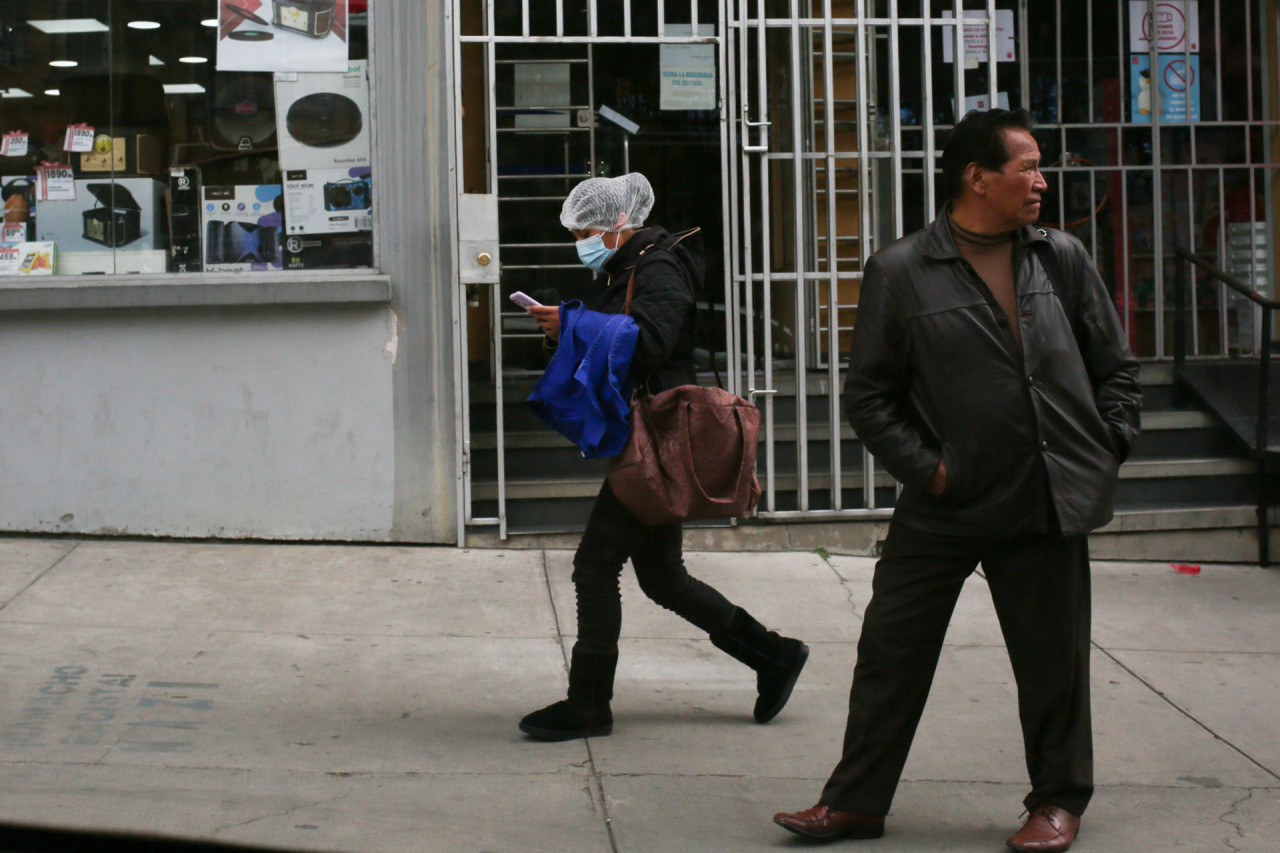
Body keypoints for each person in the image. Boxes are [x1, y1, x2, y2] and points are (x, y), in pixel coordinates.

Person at [772, 109, 1142, 852]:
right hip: (945, 501)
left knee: (1052, 663)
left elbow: (1116, 370)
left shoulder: (1061, 258)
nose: (1041, 182)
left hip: (1044, 495)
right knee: (891, 648)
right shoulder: (902, 270)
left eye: (1040, 168)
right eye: (1027, 167)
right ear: (977, 177)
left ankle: (1057, 801)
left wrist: (1106, 444)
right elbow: (870, 396)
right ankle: (854, 802)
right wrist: (930, 469)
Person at [518, 172, 809, 741]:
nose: (579, 238)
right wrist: (562, 329)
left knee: (595, 565)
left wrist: (571, 323)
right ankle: (772, 655)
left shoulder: (657, 266)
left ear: (616, 224)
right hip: (648, 435)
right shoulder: (626, 265)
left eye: (585, 229)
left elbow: (650, 339)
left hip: (659, 438)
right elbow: (618, 339)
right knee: (664, 578)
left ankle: (588, 703)